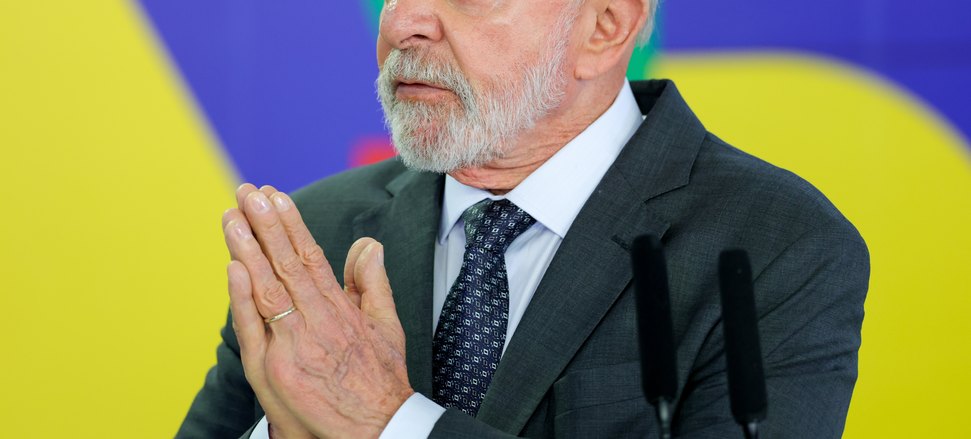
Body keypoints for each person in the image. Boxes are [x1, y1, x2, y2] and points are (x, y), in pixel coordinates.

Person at [177, 0, 869, 437]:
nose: (401, 22)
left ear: (604, 26)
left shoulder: (775, 246)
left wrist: (386, 420)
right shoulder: (320, 231)